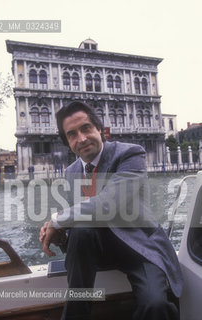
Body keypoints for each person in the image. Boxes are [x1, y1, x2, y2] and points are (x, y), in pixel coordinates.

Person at [39, 101, 183, 320]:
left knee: (155, 305)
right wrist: (59, 234)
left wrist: (57, 219)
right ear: (67, 142)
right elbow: (75, 219)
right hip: (96, 248)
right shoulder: (71, 172)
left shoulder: (130, 154)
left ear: (99, 128)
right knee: (79, 230)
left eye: (86, 128)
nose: (82, 138)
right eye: (72, 134)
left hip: (139, 246)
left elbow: (108, 204)